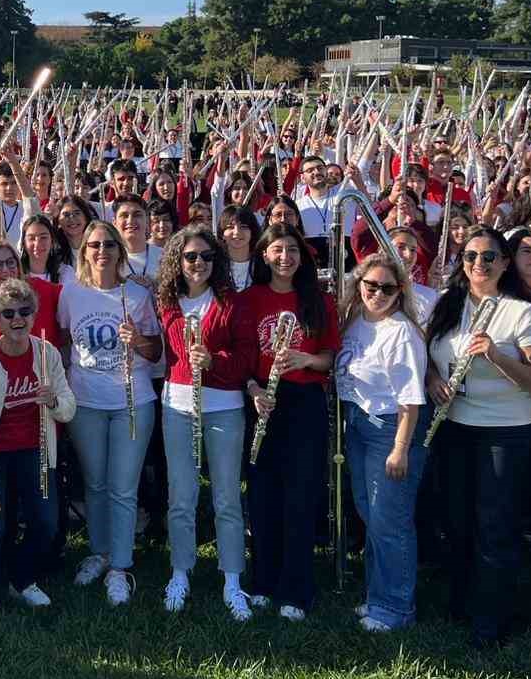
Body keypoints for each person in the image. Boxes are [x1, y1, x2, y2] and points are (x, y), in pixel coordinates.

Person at [424, 225, 531, 649]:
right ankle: (462, 605)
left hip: (506, 432)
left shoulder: (523, 313)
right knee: (457, 521)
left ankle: (491, 621)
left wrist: (496, 356)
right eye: (470, 257)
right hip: (455, 427)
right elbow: (429, 358)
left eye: (489, 257)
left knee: (495, 527)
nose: (479, 264)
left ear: (504, 263)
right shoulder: (448, 306)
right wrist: (431, 381)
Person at [55, 219, 162, 606]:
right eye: (94, 245)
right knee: (95, 483)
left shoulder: (136, 294)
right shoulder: (71, 293)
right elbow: (64, 339)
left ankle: (120, 565)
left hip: (133, 401)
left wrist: (140, 341)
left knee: (123, 485)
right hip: (86, 401)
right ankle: (98, 552)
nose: (102, 252)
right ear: (85, 251)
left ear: (120, 252)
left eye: (109, 245)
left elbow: (157, 352)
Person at [0, 278, 75, 634]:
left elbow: (68, 408)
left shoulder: (48, 354)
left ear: (34, 315)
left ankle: (21, 580)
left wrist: (53, 400)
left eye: (25, 311)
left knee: (46, 523)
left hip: (35, 450)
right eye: (7, 313)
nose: (17, 319)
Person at [153, 226, 254, 620]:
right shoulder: (167, 301)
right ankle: (181, 571)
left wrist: (215, 362)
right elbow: (172, 352)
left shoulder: (232, 303)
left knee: (227, 496)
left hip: (223, 406)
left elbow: (246, 358)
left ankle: (232, 579)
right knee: (181, 496)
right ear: (178, 261)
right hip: (177, 405)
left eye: (207, 257)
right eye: (191, 256)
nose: (199, 264)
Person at [241, 224, 339, 619]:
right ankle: (263, 580)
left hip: (304, 401)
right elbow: (244, 361)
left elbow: (330, 358)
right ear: (264, 255)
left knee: (300, 495)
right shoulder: (250, 300)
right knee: (263, 493)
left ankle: (297, 590)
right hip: (262, 399)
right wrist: (254, 392)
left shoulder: (318, 300)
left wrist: (306, 360)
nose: (285, 257)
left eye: (293, 250)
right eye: (277, 250)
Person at [335, 254, 430, 633]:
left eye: (387, 288)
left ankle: (396, 607)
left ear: (400, 291)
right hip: (357, 424)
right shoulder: (355, 322)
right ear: (359, 285)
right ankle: (378, 596)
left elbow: (410, 400)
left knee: (390, 521)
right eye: (370, 285)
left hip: (388, 429)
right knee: (371, 515)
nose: (377, 293)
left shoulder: (401, 332)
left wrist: (400, 448)